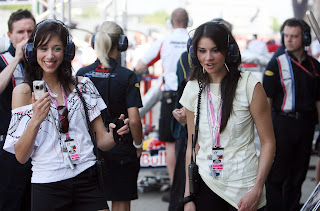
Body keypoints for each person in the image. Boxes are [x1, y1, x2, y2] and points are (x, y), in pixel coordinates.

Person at [3, 19, 130, 211]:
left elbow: (102, 141)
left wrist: (115, 134)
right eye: (43, 48)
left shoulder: (84, 86)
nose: (50, 55)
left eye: (57, 48)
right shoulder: (23, 92)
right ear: (32, 51)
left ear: (67, 51)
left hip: (87, 179)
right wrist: (36, 118)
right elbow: (21, 156)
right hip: (48, 185)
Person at [180, 21, 275, 211]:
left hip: (244, 189)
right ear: (194, 53)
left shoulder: (249, 85)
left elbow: (268, 143)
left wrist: (257, 189)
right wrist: (188, 196)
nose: (208, 57)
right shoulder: (192, 88)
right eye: (202, 51)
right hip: (206, 185)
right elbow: (193, 145)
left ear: (228, 50)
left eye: (215, 50)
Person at [77, 21, 143, 211]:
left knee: (93, 201)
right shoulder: (127, 76)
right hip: (122, 146)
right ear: (121, 43)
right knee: (121, 201)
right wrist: (138, 146)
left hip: (90, 147)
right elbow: (135, 119)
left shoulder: (82, 74)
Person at [263, 18, 320, 211]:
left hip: (306, 125)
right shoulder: (275, 64)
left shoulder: (315, 67)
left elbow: (318, 101)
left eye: (294, 36)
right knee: (276, 176)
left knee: (298, 176)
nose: (289, 40)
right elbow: (266, 102)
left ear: (304, 38)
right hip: (282, 124)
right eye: (286, 36)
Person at [135, 7, 190, 201]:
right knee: (191, 142)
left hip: (170, 96)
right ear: (188, 22)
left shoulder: (164, 41)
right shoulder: (194, 40)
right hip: (191, 94)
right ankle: (189, 189)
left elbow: (140, 65)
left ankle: (177, 192)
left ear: (171, 22)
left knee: (169, 143)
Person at [0, 9, 36, 211]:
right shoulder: (4, 60)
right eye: (21, 32)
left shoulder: (43, 62)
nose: (26, 37)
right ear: (10, 36)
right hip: (8, 146)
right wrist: (17, 59)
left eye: (31, 31)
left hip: (38, 144)